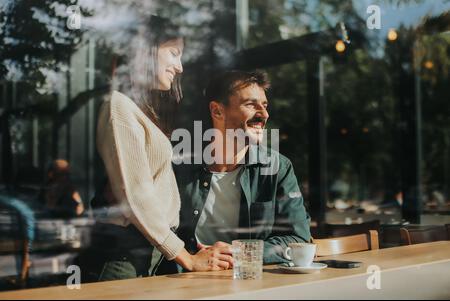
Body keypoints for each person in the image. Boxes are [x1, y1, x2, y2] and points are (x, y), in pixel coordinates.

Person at [86, 15, 232, 282]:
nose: (180, 67)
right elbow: (136, 197)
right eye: (174, 54)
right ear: (147, 51)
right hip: (125, 255)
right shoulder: (118, 106)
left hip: (148, 249)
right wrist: (186, 258)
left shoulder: (137, 111)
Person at [173, 70, 311, 265]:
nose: (264, 114)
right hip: (184, 282)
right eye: (250, 104)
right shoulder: (178, 166)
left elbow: (298, 239)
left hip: (249, 282)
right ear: (217, 111)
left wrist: (241, 253)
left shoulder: (278, 168)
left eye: (264, 106)